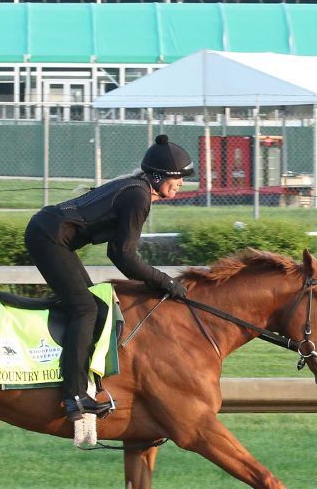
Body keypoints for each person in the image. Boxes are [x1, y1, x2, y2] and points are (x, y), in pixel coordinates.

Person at [25, 134, 194, 422]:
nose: (181, 183)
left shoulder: (137, 189)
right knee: (86, 309)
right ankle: (74, 397)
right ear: (158, 176)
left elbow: (118, 252)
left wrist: (157, 280)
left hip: (53, 236)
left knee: (99, 308)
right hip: (48, 237)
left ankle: (85, 383)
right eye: (178, 178)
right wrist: (165, 282)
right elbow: (123, 256)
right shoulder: (139, 196)